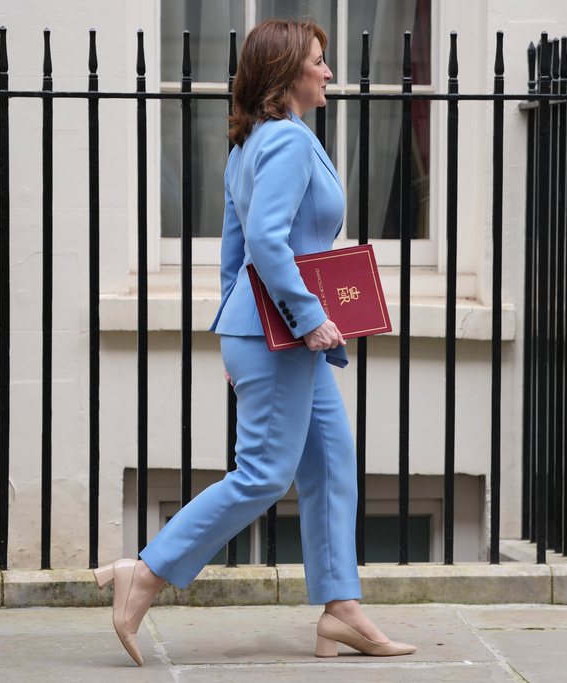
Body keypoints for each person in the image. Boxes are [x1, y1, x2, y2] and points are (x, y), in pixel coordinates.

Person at [93, 18, 416, 666]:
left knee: (330, 463)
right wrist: (306, 318)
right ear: (288, 73)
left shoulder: (256, 143)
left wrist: (234, 331)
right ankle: (146, 571)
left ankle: (341, 610)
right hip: (282, 337)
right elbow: (266, 244)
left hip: (265, 335)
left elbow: (233, 251)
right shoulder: (288, 145)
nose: (329, 72)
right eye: (319, 62)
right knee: (264, 473)